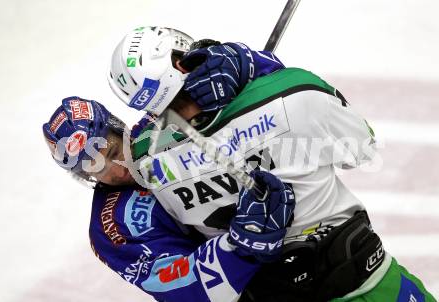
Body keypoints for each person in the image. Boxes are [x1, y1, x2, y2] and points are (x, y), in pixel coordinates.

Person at [107, 26, 436, 301]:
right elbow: (363, 146)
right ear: (181, 62)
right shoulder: (293, 92)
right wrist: (258, 67)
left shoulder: (146, 160)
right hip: (367, 284)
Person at [42, 96, 295, 302]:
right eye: (98, 169)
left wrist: (241, 63)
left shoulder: (168, 120)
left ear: (117, 127)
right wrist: (243, 243)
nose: (117, 170)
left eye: (113, 152)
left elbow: (259, 92)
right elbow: (185, 289)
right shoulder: (111, 227)